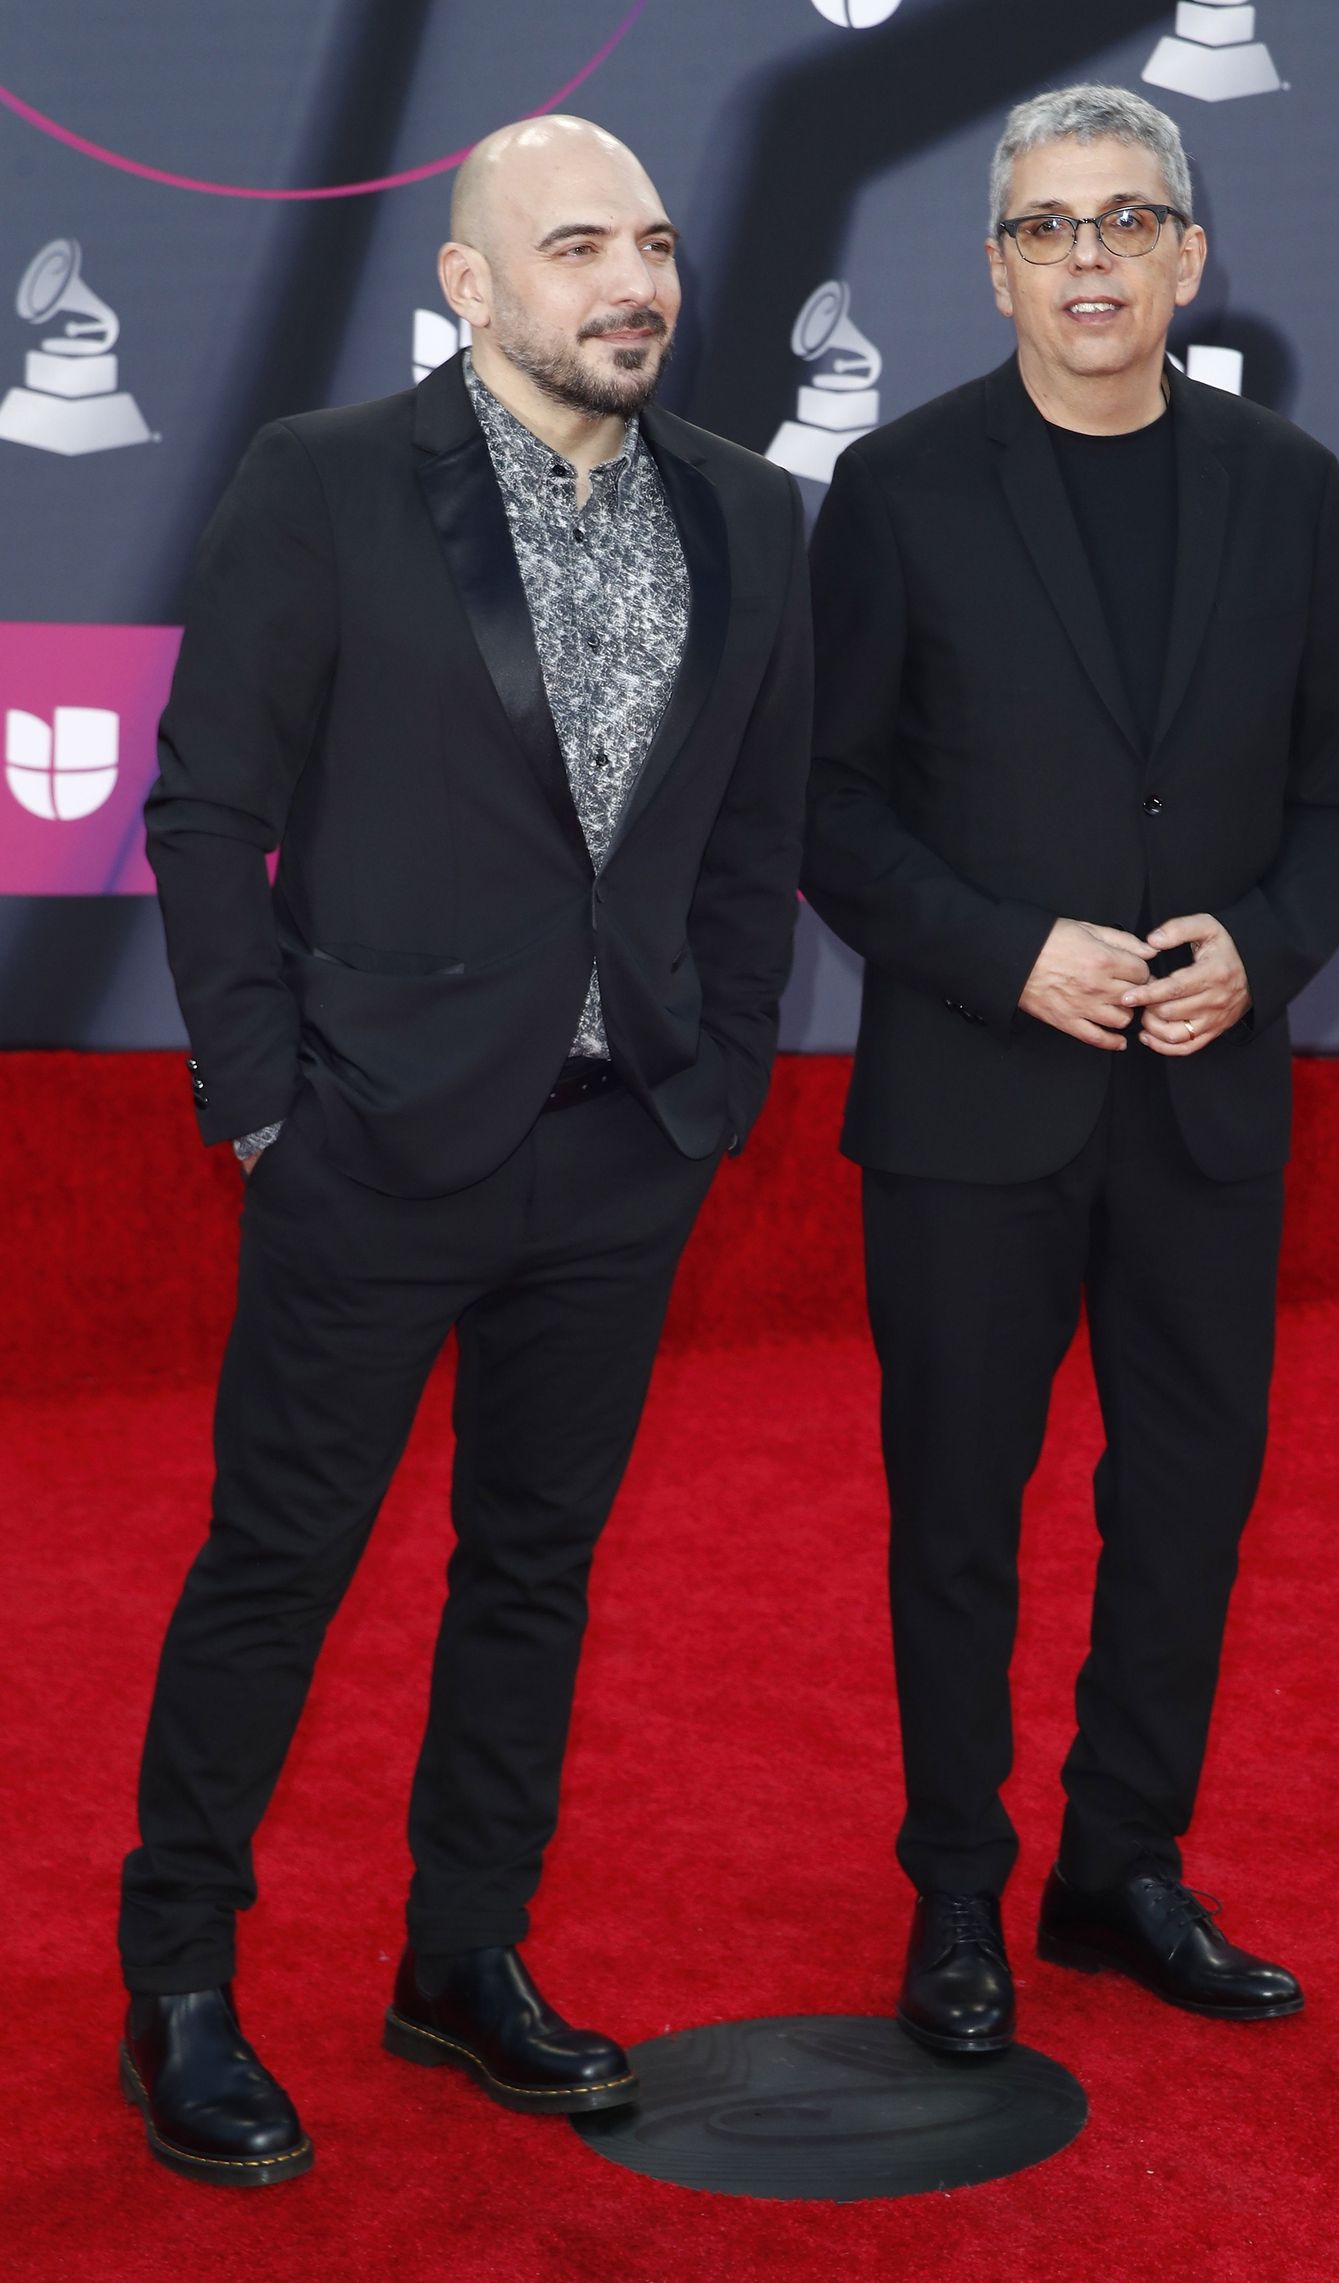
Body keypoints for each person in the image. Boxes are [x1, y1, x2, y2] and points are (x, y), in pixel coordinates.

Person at [120, 115, 810, 2183]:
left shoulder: (755, 514)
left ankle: (461, 1952)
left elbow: (757, 843)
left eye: (657, 246)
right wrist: (262, 1106)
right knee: (279, 1564)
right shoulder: (324, 482)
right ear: (468, 285)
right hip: (371, 1146)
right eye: (578, 245)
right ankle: (177, 1983)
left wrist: (724, 1081)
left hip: (625, 1149)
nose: (633, 283)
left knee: (536, 1566)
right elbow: (199, 807)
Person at [802, 83, 1339, 2055]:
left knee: (1186, 1501)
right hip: (972, 1096)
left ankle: (1114, 1864)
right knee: (955, 1506)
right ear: (992, 265)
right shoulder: (894, 487)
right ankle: (956, 1890)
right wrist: (1003, 950)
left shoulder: (1287, 488)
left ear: (1184, 256)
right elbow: (831, 807)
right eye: (1047, 226)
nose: (1086, 257)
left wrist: (1260, 940)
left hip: (1205, 1104)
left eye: (1124, 221)